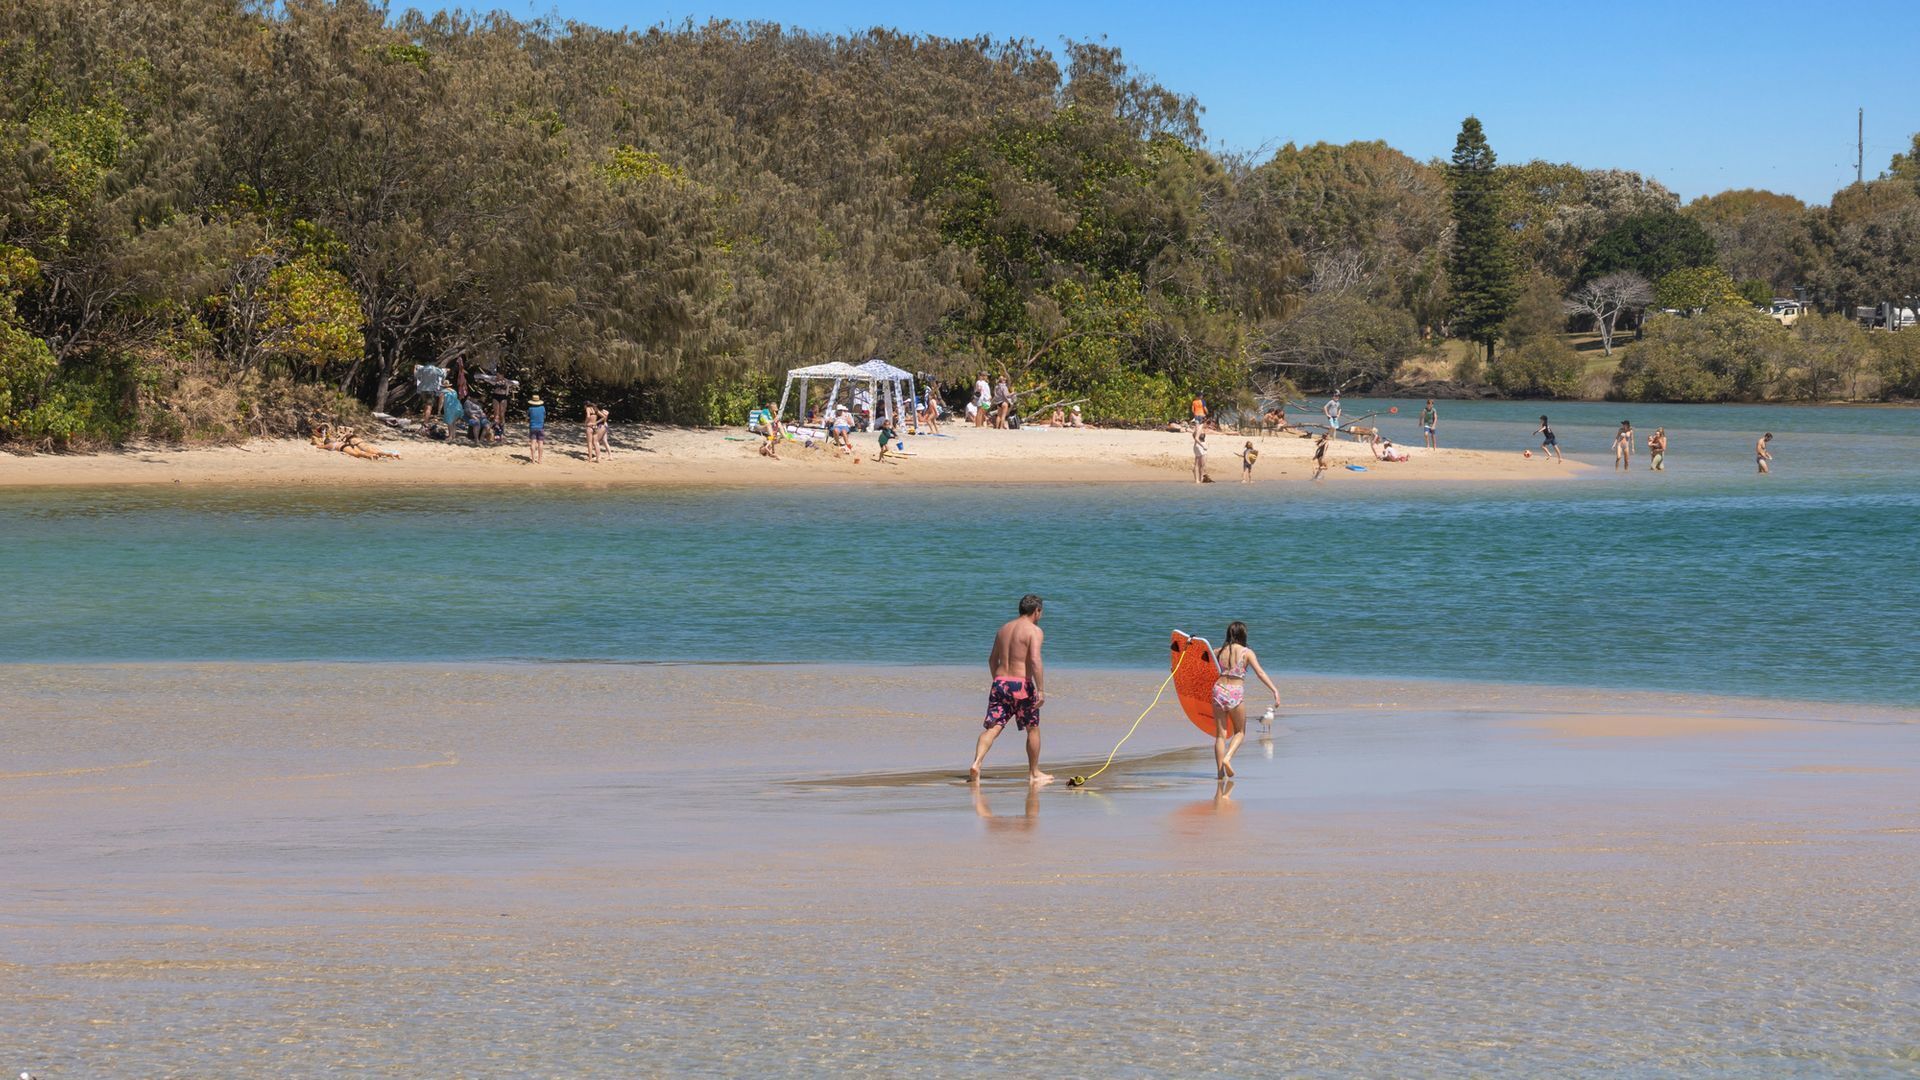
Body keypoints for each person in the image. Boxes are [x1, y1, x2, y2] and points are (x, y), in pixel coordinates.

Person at [968, 594, 1051, 786]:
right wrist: (1041, 690)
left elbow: (991, 660)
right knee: (1033, 729)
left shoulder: (1003, 629)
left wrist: (999, 683)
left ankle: (977, 763)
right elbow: (1034, 660)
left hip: (1000, 682)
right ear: (1037, 611)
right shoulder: (1034, 631)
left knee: (993, 728)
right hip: (1022, 684)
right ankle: (1034, 773)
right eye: (1041, 611)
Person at [1210, 621, 1282, 780]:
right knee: (1240, 732)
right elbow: (1260, 673)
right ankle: (1228, 758)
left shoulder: (1217, 651)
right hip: (1235, 692)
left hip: (1218, 690)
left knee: (1220, 735)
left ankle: (1220, 773)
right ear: (1243, 635)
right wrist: (1274, 690)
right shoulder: (1247, 652)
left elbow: (1197, 661)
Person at [527, 394, 546, 463]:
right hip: (541, 427)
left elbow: (528, 417)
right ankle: (540, 459)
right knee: (540, 443)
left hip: (532, 427)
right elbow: (544, 416)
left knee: (533, 442)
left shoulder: (530, 408)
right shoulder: (543, 408)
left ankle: (533, 459)